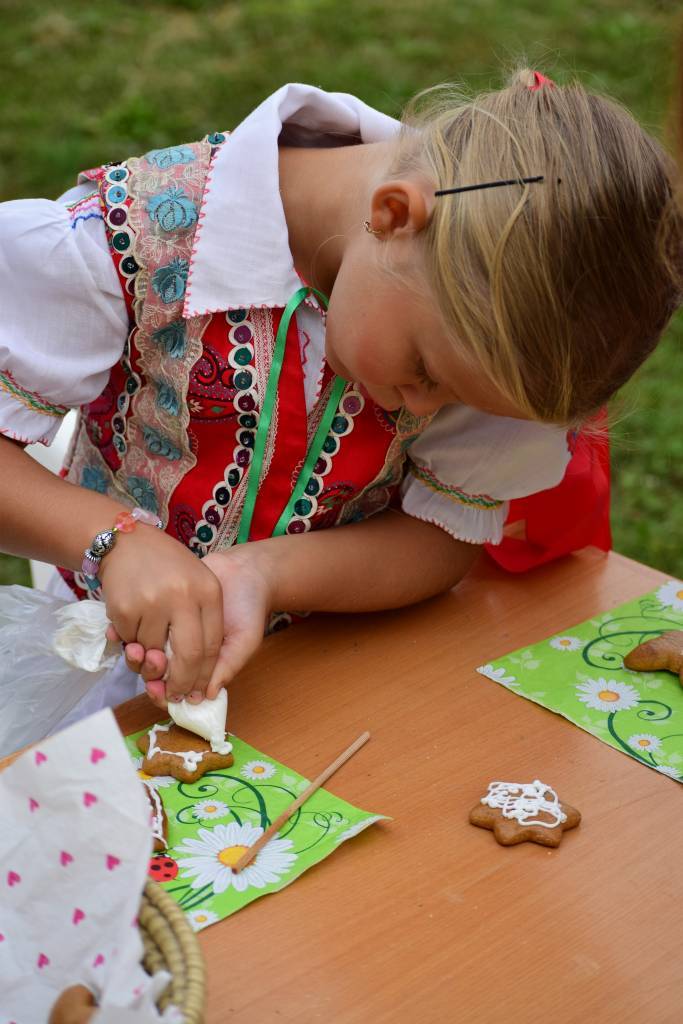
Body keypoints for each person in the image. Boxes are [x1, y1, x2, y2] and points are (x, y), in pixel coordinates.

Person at [0, 71, 680, 719]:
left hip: (330, 668)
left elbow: (440, 536)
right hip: (94, 654)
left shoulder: (486, 335)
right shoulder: (131, 241)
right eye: (425, 370)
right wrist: (110, 541)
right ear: (393, 214)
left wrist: (265, 575)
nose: (420, 409)